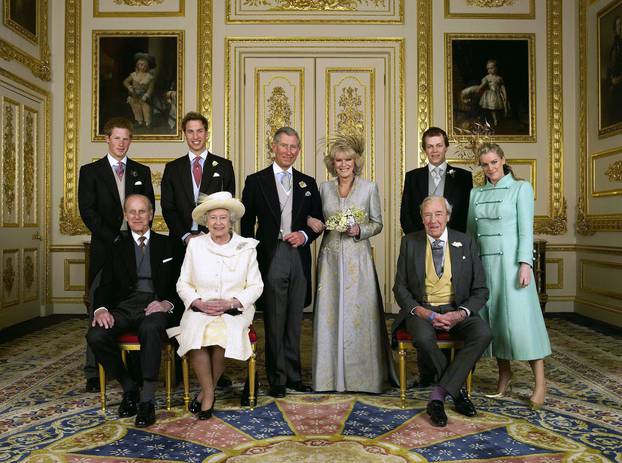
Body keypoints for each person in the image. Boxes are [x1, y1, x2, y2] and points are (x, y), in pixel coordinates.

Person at [393, 196, 491, 427]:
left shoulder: (464, 241)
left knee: (483, 333)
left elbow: (481, 289)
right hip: (423, 311)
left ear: (447, 216)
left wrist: (460, 314)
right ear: (422, 218)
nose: (433, 220)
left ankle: (437, 395)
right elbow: (400, 287)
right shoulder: (410, 242)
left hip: (457, 310)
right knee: (423, 338)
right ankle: (456, 393)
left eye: (438, 214)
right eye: (428, 215)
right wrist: (423, 312)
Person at [307, 133, 394, 393]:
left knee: (360, 313)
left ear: (356, 161)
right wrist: (314, 222)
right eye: (338, 160)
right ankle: (328, 378)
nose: (343, 164)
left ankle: (363, 379)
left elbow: (377, 223)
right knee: (330, 314)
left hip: (359, 259)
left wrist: (360, 230)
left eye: (348, 159)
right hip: (331, 259)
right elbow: (315, 218)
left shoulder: (369, 188)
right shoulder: (324, 188)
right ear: (332, 163)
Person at [241, 127, 323, 398]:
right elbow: (245, 225)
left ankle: (294, 375)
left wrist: (304, 234)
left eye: (294, 147)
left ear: (298, 150)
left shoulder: (307, 183)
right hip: (271, 254)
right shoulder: (255, 181)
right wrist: (249, 259)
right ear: (273, 147)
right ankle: (276, 378)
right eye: (284, 146)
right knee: (275, 319)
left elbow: (318, 221)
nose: (289, 151)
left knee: (295, 318)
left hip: (298, 255)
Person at [467, 142, 551, 410]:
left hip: (513, 266)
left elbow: (526, 230)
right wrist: (469, 268)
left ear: (503, 160)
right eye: (485, 164)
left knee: (522, 324)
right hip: (484, 265)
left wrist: (526, 263)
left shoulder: (521, 188)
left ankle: (540, 383)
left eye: (494, 162)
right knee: (493, 322)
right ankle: (504, 374)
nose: (490, 168)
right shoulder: (475, 194)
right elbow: (470, 234)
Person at [86, 194, 180, 428]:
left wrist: (166, 304)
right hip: (125, 306)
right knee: (96, 335)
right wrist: (100, 309)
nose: (137, 217)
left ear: (151, 215)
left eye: (142, 211)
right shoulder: (116, 246)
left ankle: (147, 400)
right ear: (126, 216)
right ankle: (129, 388)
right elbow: (104, 285)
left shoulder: (168, 244)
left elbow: (181, 284)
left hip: (155, 304)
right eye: (132, 212)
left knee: (151, 328)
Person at [167, 192, 263, 419]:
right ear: (206, 221)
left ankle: (205, 395)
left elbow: (256, 286)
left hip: (234, 309)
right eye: (213, 218)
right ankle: (208, 393)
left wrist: (232, 302)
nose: (218, 223)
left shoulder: (246, 247)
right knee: (197, 336)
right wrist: (198, 302)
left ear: (231, 221)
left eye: (223, 218)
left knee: (220, 334)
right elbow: (183, 283)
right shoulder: (195, 246)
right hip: (201, 307)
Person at [78, 117, 155, 393]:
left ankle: (134, 364)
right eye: (116, 138)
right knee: (98, 306)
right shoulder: (91, 171)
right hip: (105, 247)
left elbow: (148, 207)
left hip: (134, 246)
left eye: (126, 139)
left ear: (130, 141)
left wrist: (136, 237)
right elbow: (87, 210)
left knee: (132, 301)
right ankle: (92, 370)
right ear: (107, 139)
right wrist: (113, 238)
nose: (121, 143)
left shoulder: (141, 171)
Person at [399, 126, 472, 386]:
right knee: (422, 303)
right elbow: (406, 214)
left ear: (446, 146)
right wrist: (422, 243)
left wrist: (449, 242)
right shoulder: (414, 176)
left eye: (439, 145)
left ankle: (449, 371)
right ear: (424, 149)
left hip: (452, 246)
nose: (434, 150)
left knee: (452, 303)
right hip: (422, 246)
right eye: (429, 146)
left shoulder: (463, 177)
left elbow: (463, 217)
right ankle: (428, 374)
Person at [161, 111, 235, 256]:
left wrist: (206, 234)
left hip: (215, 241)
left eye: (199, 131)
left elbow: (228, 205)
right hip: (180, 244)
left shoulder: (224, 166)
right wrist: (186, 237)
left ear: (206, 134)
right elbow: (168, 208)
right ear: (185, 135)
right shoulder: (172, 168)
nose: (195, 137)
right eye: (190, 132)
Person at [123, 53, 156, 129]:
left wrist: (146, 95)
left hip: (144, 96)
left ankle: (148, 123)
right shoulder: (134, 75)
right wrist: (129, 87)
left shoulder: (149, 77)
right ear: (137, 65)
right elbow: (125, 81)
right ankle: (139, 122)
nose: (143, 67)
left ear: (148, 66)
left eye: (145, 65)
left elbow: (151, 88)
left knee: (146, 109)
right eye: (141, 65)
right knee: (136, 108)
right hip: (134, 95)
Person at [478, 59, 509, 128]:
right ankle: (488, 120)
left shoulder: (499, 78)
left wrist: (505, 95)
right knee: (489, 108)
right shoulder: (487, 77)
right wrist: (479, 88)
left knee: (495, 109)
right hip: (489, 95)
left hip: (496, 95)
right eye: (488, 68)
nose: (489, 70)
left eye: (491, 68)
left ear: (496, 68)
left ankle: (496, 119)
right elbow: (482, 85)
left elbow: (502, 87)